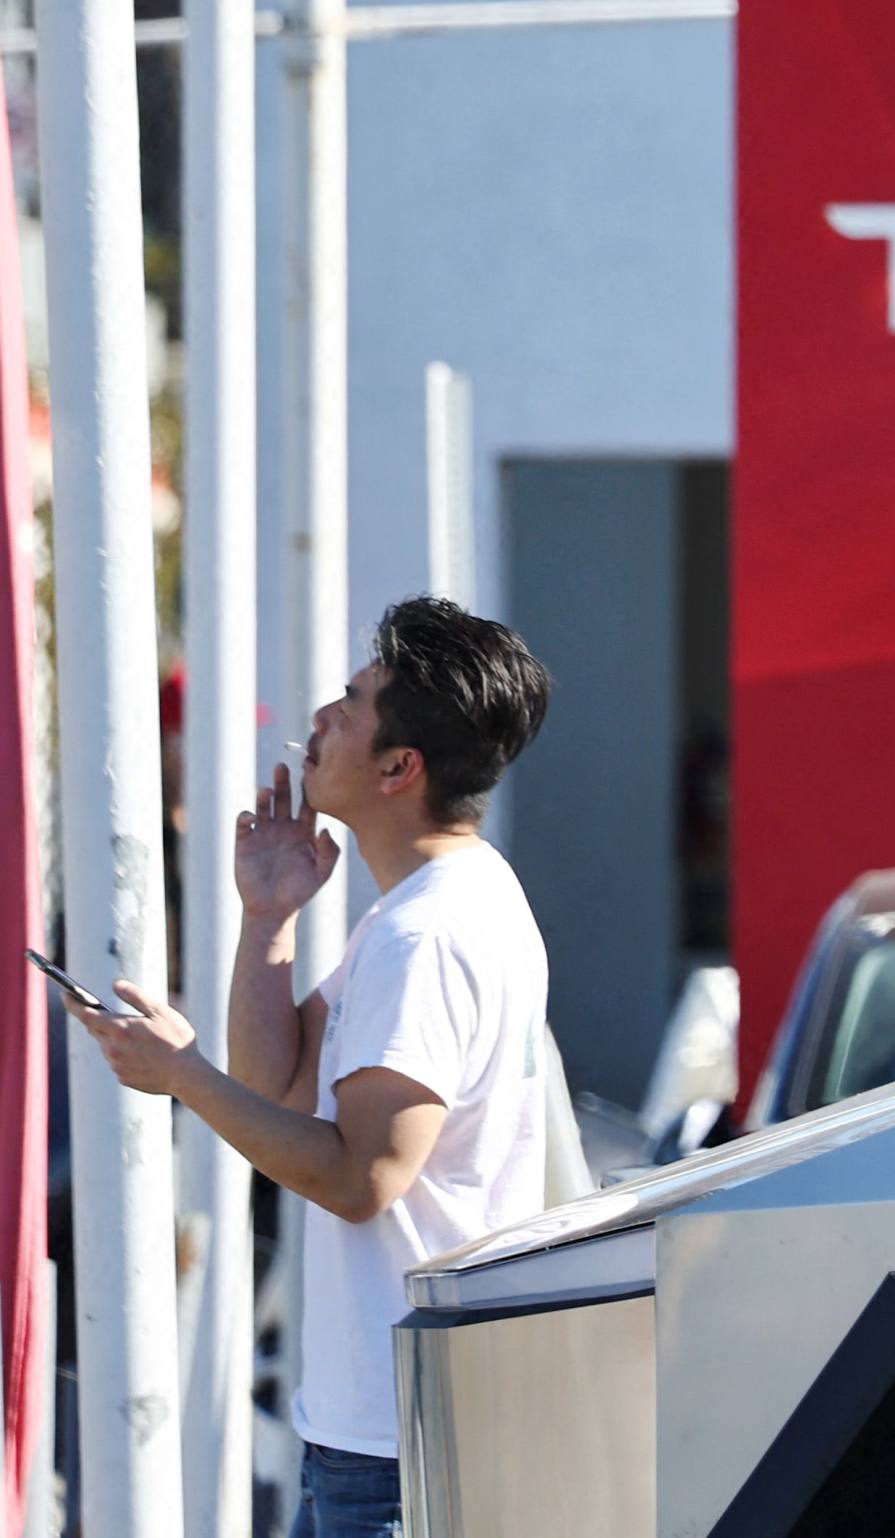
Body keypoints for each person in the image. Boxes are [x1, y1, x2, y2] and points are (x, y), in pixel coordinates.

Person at [74, 597, 557, 1538]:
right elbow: (280, 1089)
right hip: (385, 1429)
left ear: (399, 767)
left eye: (352, 699)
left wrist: (182, 1077)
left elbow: (361, 1174)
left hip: (396, 1447)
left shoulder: (428, 934)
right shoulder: (436, 903)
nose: (322, 717)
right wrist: (270, 918)